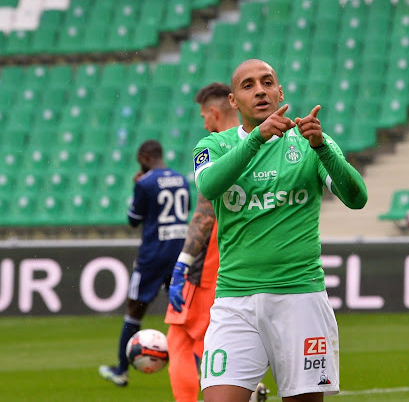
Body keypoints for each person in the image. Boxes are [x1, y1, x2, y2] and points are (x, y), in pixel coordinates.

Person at [193, 59, 367, 402]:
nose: (260, 90)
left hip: (300, 299)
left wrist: (322, 149)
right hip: (235, 300)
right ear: (233, 101)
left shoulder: (309, 142)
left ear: (279, 92)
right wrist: (257, 139)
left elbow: (356, 197)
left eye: (267, 82)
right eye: (248, 85)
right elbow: (210, 186)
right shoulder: (213, 146)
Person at [165, 83, 271, 402]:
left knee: (180, 337)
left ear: (214, 112)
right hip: (240, 257)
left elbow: (204, 212)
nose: (203, 123)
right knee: (211, 337)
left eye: (203, 116)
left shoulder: (215, 147)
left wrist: (182, 263)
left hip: (210, 258)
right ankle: (248, 388)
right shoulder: (256, 145)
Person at [99, 140, 191, 387]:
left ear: (144, 157)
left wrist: (136, 187)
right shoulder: (182, 179)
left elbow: (133, 219)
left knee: (134, 309)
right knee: (187, 313)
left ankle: (121, 370)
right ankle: (200, 367)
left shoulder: (145, 182)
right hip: (179, 254)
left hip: (152, 256)